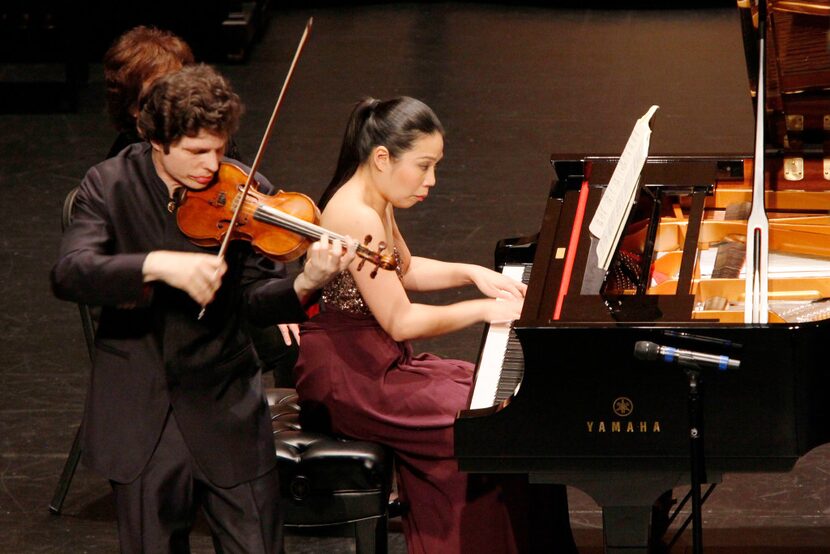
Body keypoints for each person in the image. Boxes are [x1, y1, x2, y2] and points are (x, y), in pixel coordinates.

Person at [51, 64, 356, 553]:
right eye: (196, 151)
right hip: (141, 411)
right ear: (156, 139)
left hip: (225, 403)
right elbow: (71, 272)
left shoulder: (241, 188)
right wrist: (156, 265)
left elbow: (256, 300)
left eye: (219, 147)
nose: (212, 165)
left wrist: (306, 282)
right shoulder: (108, 185)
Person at [293, 96, 576, 553]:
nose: (432, 181)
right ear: (382, 158)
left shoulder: (373, 198)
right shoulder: (355, 213)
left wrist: (471, 273)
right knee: (475, 424)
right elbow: (400, 319)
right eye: (423, 166)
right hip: (351, 377)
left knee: (502, 401)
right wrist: (481, 309)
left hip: (375, 359)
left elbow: (401, 269)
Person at [102, 24, 299, 384]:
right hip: (176, 303)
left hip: (231, 280)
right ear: (133, 108)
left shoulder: (206, 138)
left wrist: (273, 293)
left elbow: (248, 218)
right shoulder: (121, 170)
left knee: (295, 338)